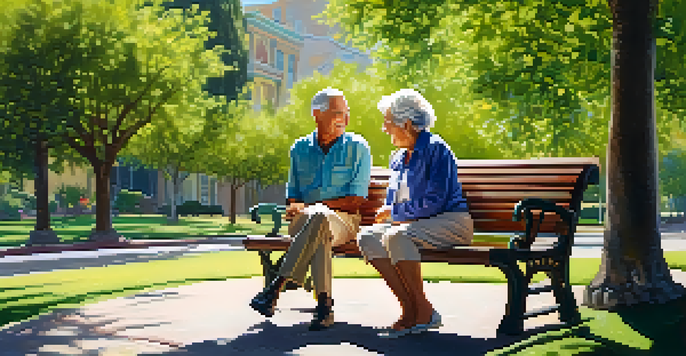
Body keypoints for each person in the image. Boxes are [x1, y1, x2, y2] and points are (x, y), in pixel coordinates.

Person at [250, 87, 372, 331]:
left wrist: (314, 207)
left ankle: (277, 285)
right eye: (338, 112)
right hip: (305, 221)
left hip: (345, 222)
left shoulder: (358, 147)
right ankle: (323, 306)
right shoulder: (299, 149)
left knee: (319, 219)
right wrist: (296, 207)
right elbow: (293, 196)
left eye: (346, 112)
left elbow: (356, 201)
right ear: (317, 114)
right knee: (317, 225)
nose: (345, 118)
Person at [357, 89, 474, 338]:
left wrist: (394, 214)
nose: (384, 128)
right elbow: (393, 201)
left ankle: (420, 311)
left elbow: (436, 201)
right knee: (367, 236)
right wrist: (390, 213)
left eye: (388, 121)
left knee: (397, 236)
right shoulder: (398, 158)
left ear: (407, 124)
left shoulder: (436, 149)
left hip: (451, 221)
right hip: (415, 224)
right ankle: (412, 308)